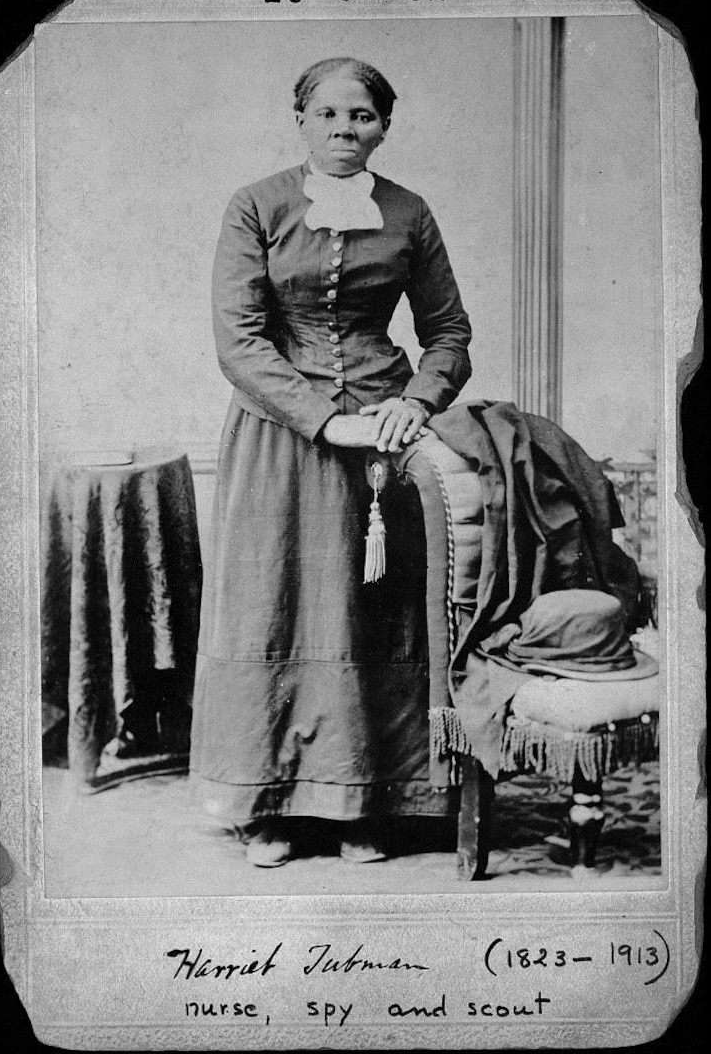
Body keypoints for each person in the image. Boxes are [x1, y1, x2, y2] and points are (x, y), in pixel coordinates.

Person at [190, 57, 472, 867]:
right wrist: (324, 422)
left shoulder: (410, 212)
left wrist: (413, 403)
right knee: (275, 605)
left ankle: (365, 803)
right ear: (302, 120)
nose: (347, 131)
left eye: (364, 117)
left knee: (372, 611)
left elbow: (449, 331)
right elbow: (239, 341)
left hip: (384, 439)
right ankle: (268, 804)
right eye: (330, 116)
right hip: (280, 434)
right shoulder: (257, 205)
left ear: (385, 125)